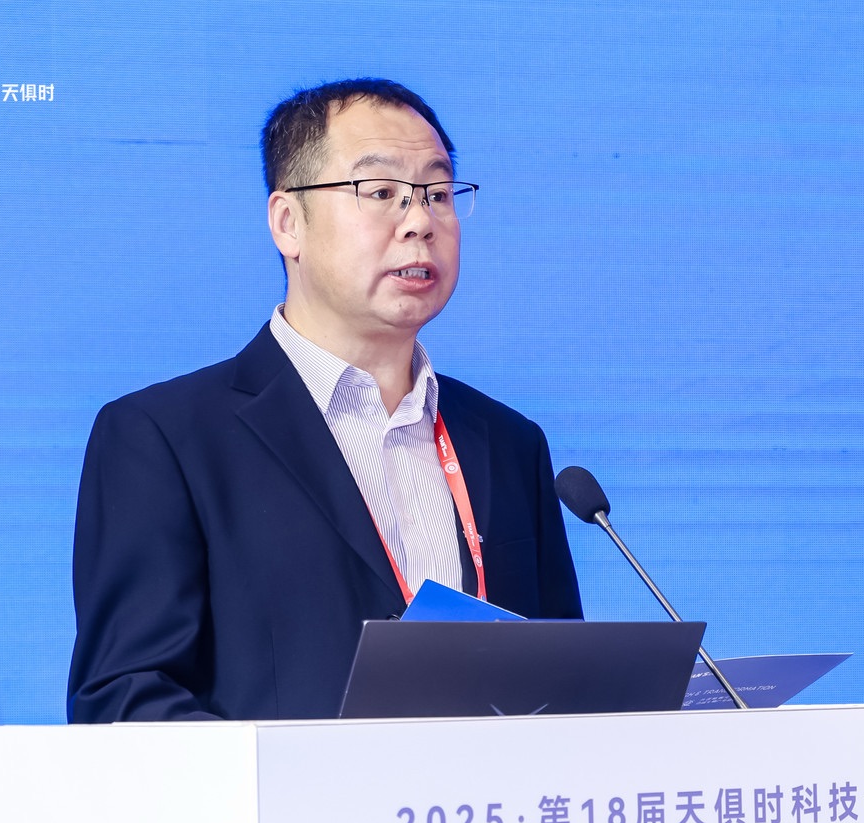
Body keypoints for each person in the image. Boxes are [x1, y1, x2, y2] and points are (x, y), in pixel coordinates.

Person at [67, 78, 582, 722]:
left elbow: (564, 687)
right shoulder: (164, 439)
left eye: (438, 193)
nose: (420, 221)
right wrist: (299, 773)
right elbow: (125, 699)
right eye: (382, 193)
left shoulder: (508, 443)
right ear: (289, 223)